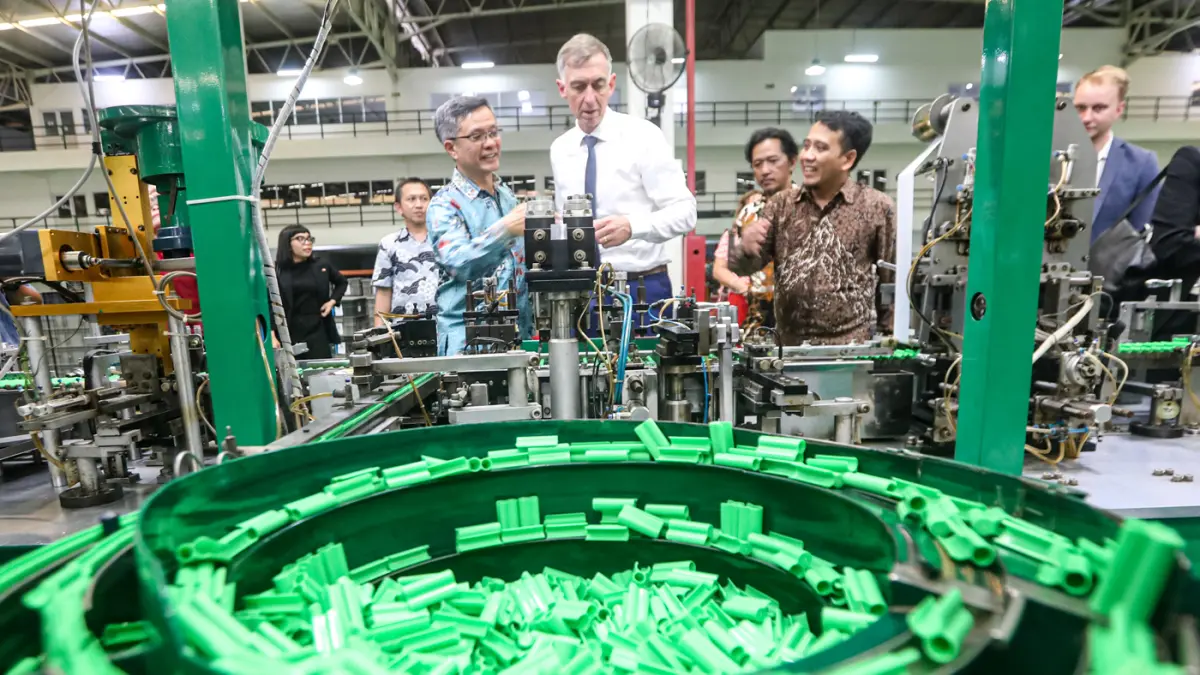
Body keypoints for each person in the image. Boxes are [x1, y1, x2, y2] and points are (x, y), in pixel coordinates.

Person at [549, 33, 697, 304]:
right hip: (581, 292)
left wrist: (633, 226)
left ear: (612, 84)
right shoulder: (560, 150)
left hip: (642, 288)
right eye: (579, 87)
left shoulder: (644, 137)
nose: (590, 99)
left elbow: (686, 213)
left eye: (598, 84)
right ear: (562, 88)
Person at [731, 110, 896, 346]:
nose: (807, 156)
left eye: (820, 148)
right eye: (806, 145)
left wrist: (888, 344)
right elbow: (745, 268)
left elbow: (892, 284)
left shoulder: (878, 208)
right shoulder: (781, 205)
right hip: (788, 349)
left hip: (850, 350)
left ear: (847, 159)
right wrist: (745, 248)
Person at [427, 95, 531, 356]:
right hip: (468, 346)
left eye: (493, 132)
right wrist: (505, 229)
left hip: (517, 337)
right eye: (477, 137)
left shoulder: (506, 196)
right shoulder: (444, 205)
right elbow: (459, 262)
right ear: (451, 148)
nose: (490, 143)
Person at [713, 127, 802, 326]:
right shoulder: (748, 213)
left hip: (801, 316)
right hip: (756, 318)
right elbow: (731, 266)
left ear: (792, 162)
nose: (765, 170)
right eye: (757, 164)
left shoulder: (811, 207)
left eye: (773, 161)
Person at [1073, 65, 1161, 241]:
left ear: (1119, 109)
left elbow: (1143, 232)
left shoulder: (1141, 163)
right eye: (1080, 108)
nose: (1086, 118)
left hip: (1106, 267)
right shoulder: (1051, 157)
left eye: (1098, 108)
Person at [275, 225, 347, 360]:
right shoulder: (277, 271)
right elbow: (269, 303)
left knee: (321, 371)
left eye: (309, 239)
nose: (307, 243)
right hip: (289, 329)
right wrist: (273, 335)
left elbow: (342, 282)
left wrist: (332, 302)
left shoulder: (321, 265)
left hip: (317, 327)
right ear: (288, 244)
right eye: (300, 239)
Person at [372, 178, 438, 326]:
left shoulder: (446, 242)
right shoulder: (388, 244)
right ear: (399, 207)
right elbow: (383, 292)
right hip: (403, 330)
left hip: (444, 329)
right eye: (411, 199)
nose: (419, 205)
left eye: (424, 199)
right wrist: (379, 332)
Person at [712, 190, 763, 322]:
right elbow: (718, 270)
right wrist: (739, 285)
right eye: (753, 205)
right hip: (739, 298)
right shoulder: (731, 237)